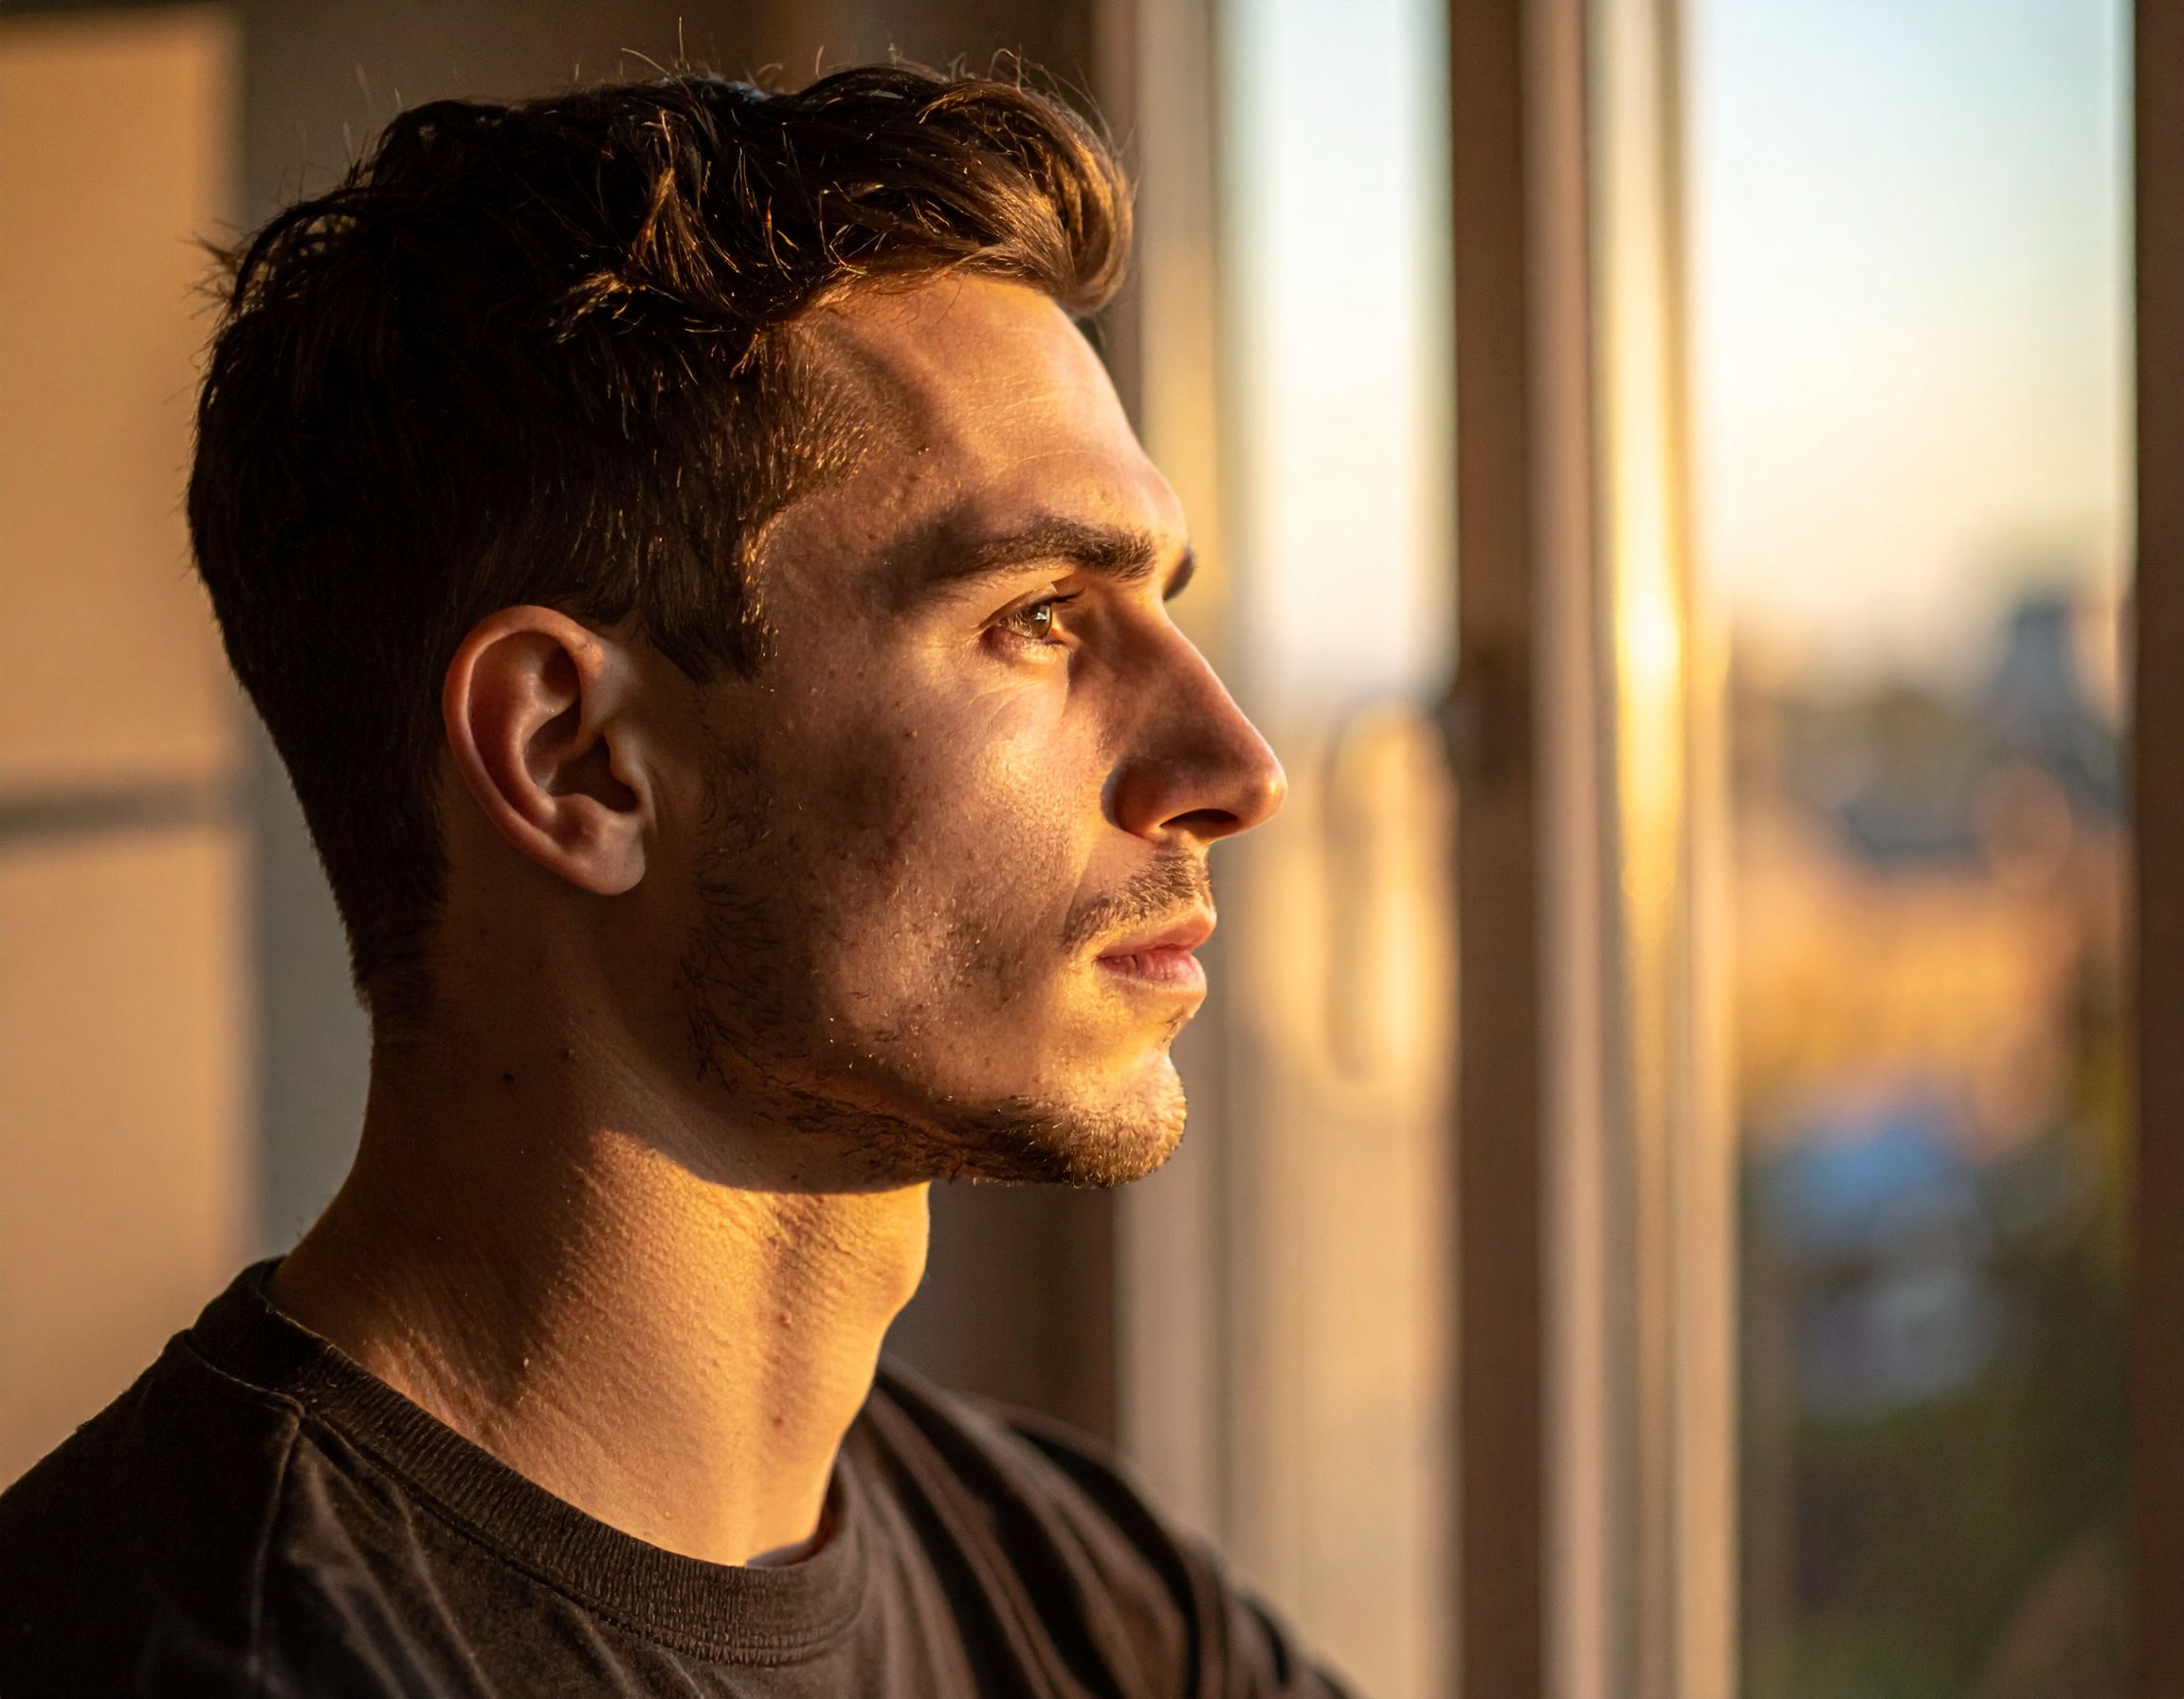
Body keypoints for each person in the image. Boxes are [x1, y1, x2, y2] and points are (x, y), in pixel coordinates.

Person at [0, 62, 1346, 1699]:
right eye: (1038, 618)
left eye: (1159, 607)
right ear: (576, 759)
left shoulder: (1083, 1596)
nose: (1236, 767)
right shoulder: (217, 1659)